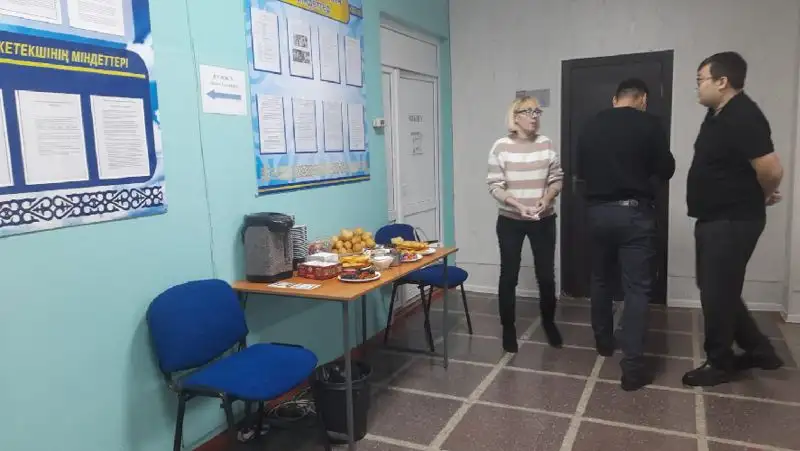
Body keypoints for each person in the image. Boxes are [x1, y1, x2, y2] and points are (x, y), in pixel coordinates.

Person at [683, 52, 784, 387]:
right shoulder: (717, 114)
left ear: (722, 82)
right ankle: (760, 350)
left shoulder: (744, 115)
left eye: (701, 80)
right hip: (716, 217)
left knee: (716, 292)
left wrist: (762, 195)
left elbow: (771, 169)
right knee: (717, 288)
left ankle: (719, 362)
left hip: (732, 219)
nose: (697, 87)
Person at [577, 78, 675, 391]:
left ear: (615, 98)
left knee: (600, 279)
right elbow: (667, 168)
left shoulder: (590, 125)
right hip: (635, 214)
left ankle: (604, 342)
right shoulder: (649, 124)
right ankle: (632, 369)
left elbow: (580, 171)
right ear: (642, 99)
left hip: (598, 213)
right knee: (636, 289)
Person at [487, 96, 564, 353]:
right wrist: (518, 205)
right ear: (515, 116)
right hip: (511, 220)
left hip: (544, 219)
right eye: (528, 111)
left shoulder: (547, 143)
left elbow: (557, 179)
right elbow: (495, 186)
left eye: (537, 111)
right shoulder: (501, 146)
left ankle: (549, 323)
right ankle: (508, 328)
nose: (534, 116)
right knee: (509, 275)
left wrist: (547, 198)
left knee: (546, 275)